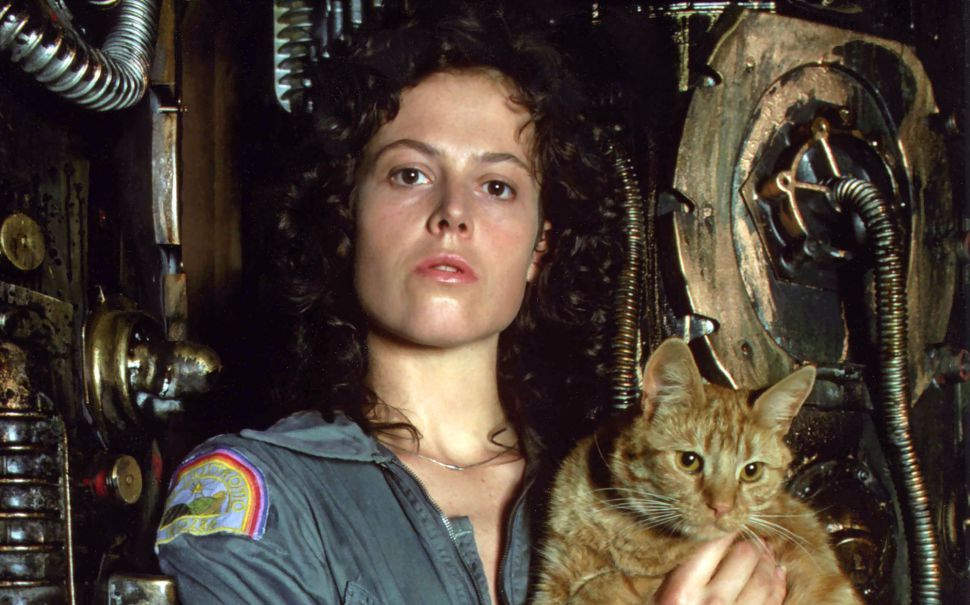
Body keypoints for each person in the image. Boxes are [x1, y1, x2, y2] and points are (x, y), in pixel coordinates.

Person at [155, 3, 788, 604]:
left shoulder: (627, 488)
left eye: (496, 186)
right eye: (410, 174)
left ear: (541, 246)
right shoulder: (262, 494)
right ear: (345, 218)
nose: (453, 213)